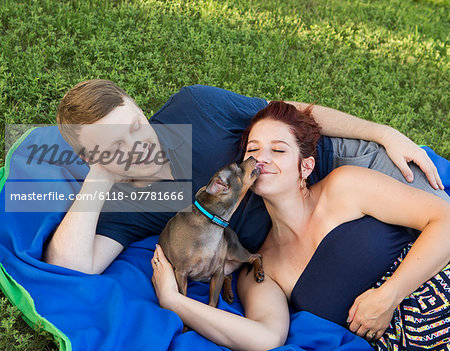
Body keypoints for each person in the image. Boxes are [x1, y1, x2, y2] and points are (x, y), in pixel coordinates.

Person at [44, 79, 448, 275]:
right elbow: (71, 268)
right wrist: (99, 176)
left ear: (138, 107)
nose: (138, 147)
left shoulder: (194, 107)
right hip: (304, 227)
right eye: (114, 146)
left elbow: (290, 114)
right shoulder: (126, 205)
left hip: (337, 163)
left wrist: (381, 133)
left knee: (441, 221)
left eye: (135, 125)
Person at [151, 101, 450, 351]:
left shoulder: (345, 187)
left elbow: (445, 219)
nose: (262, 159)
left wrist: (390, 294)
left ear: (305, 167)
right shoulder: (263, 266)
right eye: (253, 150)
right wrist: (173, 300)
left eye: (278, 151)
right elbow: (265, 337)